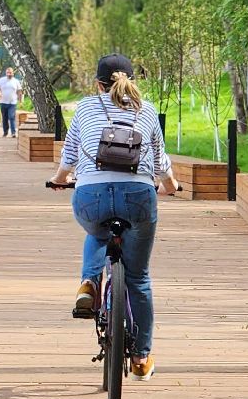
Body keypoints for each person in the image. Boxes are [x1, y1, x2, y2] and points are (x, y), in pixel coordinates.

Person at [49, 54, 176, 381]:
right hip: (138, 198)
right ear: (132, 81)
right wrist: (172, 186)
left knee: (97, 230)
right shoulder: (146, 111)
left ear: (98, 83)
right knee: (138, 279)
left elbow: (70, 156)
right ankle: (141, 358)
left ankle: (89, 282)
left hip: (91, 196)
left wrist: (61, 179)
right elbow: (160, 163)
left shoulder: (85, 108)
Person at [0, 66, 22, 137]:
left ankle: (13, 132)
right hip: (3, 102)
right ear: (6, 73)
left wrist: (20, 101)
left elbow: (19, 91)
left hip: (12, 102)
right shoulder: (2, 80)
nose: (9, 74)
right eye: (7, 73)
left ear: (13, 73)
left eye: (10, 73)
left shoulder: (16, 81)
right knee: (4, 117)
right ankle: (5, 132)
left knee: (12, 117)